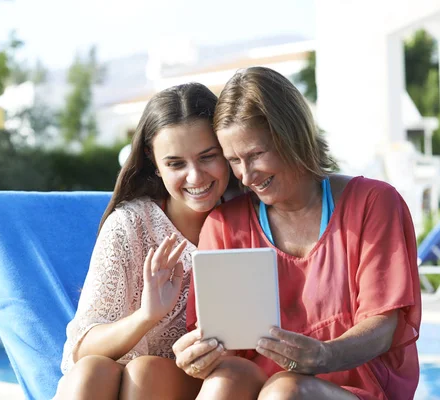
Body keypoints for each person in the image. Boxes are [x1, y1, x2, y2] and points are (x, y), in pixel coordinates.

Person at [174, 66, 422, 400]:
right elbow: (224, 346)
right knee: (224, 381)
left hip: (358, 389)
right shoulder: (224, 226)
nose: (246, 176)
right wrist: (199, 359)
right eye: (234, 160)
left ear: (293, 137)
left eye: (256, 155)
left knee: (285, 391)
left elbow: (384, 326)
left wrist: (324, 355)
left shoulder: (373, 203)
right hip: (260, 388)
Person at [54, 82, 263, 399]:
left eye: (208, 156)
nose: (196, 177)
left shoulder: (253, 221)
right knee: (90, 370)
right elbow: (82, 348)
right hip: (111, 380)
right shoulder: (130, 225)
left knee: (145, 371)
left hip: (203, 382)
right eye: (176, 164)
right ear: (153, 160)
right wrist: (147, 315)